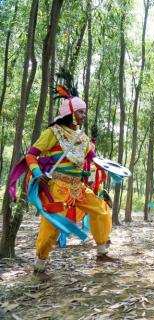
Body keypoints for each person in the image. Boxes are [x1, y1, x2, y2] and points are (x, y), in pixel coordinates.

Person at [9, 74, 115, 281]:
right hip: (57, 187)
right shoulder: (53, 132)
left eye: (84, 112)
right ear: (71, 113)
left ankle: (102, 253)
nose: (84, 115)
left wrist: (107, 168)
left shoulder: (83, 137)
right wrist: (38, 174)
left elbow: (94, 159)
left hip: (79, 187)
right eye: (81, 112)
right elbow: (31, 155)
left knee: (102, 210)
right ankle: (40, 265)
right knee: (53, 226)